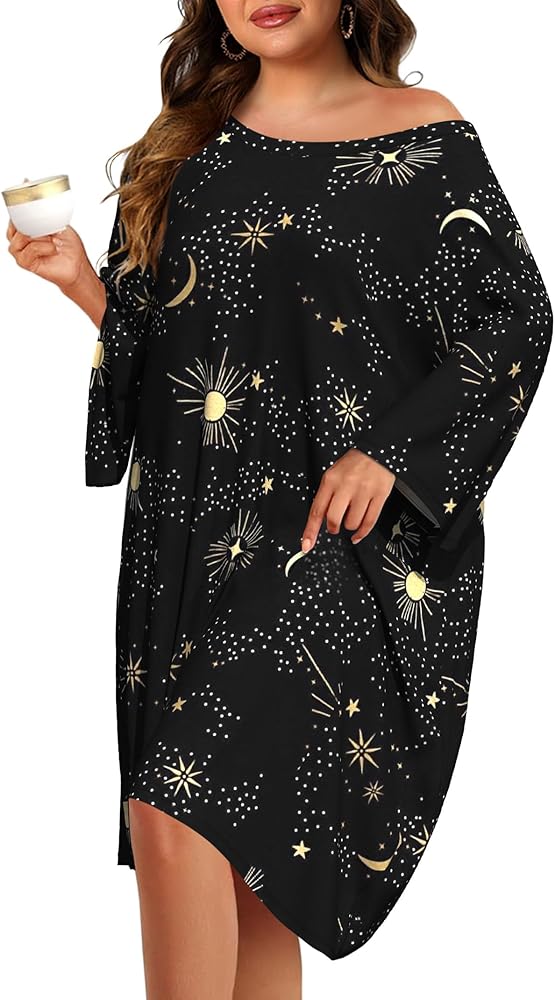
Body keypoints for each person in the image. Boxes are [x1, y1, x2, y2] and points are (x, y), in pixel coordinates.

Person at [6, 1, 553, 997]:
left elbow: (514, 317)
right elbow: (172, 353)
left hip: (331, 540)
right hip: (187, 535)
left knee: (174, 807)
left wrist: (390, 453)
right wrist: (86, 284)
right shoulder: (188, 146)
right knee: (246, 858)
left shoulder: (422, 133)